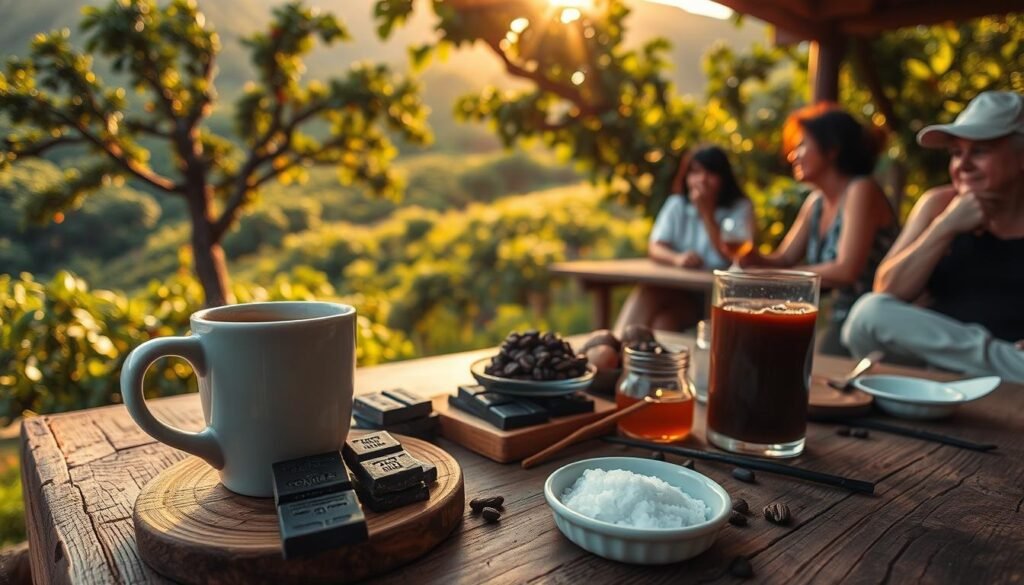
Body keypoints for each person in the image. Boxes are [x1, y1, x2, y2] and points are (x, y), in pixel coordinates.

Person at [842, 91, 1024, 382]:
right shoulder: (938, 205)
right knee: (866, 314)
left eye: (979, 151)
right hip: (942, 366)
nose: (963, 165)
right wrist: (945, 226)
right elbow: (886, 292)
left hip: (1014, 365)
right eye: (956, 153)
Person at [741, 106, 898, 355]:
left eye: (801, 145)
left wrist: (772, 276)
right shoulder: (815, 202)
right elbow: (784, 258)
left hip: (862, 324)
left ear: (832, 149)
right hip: (829, 317)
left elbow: (846, 270)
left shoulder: (861, 190)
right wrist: (753, 258)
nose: (792, 156)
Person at [614, 145, 754, 333]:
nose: (702, 179)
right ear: (686, 176)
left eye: (711, 173)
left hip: (721, 297)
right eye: (695, 172)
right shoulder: (677, 204)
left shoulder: (740, 208)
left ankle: (616, 346)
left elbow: (734, 256)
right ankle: (615, 345)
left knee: (664, 318)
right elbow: (655, 247)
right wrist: (677, 258)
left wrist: (707, 213)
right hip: (681, 293)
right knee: (662, 318)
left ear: (724, 178)